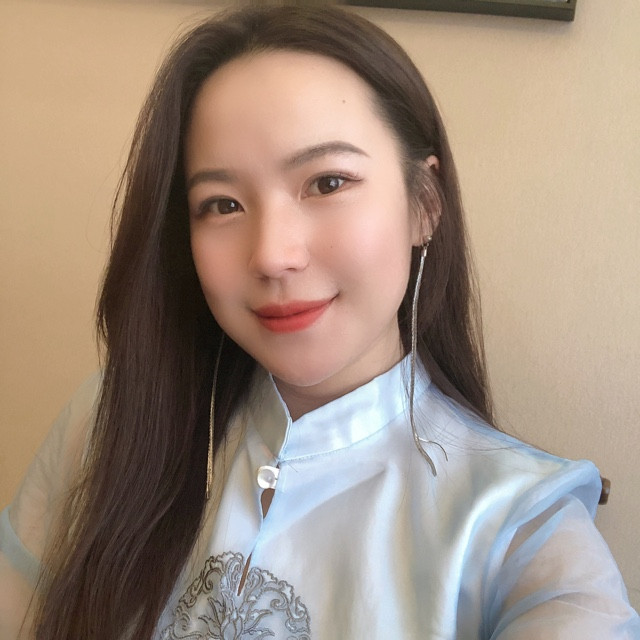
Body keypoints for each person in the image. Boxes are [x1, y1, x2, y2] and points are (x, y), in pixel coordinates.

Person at [0, 5, 638, 639]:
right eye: (222, 204)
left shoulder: (523, 529)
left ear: (424, 203)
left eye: (328, 183)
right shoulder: (111, 421)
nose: (272, 255)